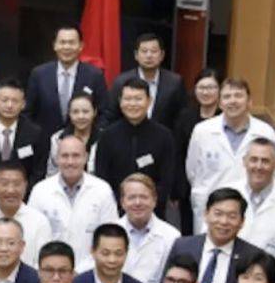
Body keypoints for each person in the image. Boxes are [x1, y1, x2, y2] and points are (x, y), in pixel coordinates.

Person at [186, 77, 275, 233]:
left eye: (238, 95)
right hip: (210, 207)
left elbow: (269, 173)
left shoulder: (265, 132)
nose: (233, 101)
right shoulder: (202, 131)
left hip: (249, 209)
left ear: (249, 102)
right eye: (227, 96)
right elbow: (192, 172)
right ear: (220, 103)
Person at [165, 188, 266, 283]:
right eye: (218, 214)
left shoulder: (253, 257)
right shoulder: (183, 246)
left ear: (242, 222)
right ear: (206, 214)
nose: (224, 221)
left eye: (232, 216)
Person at [28, 135, 118, 264]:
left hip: (92, 269)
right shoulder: (40, 191)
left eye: (76, 156)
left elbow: (110, 236)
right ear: (57, 158)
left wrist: (86, 269)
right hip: (51, 270)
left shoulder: (102, 190)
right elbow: (33, 236)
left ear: (86, 157)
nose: (70, 162)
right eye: (65, 156)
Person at [94, 78, 176, 217]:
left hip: (153, 212)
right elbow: (102, 177)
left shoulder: (164, 136)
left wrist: (147, 203)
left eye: (138, 99)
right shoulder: (108, 136)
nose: (132, 104)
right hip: (115, 211)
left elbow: (167, 178)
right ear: (120, 101)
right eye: (128, 99)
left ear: (149, 101)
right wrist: (121, 203)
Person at [25, 24, 108, 136]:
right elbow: (28, 112)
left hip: (82, 141)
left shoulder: (94, 75)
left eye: (71, 43)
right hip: (44, 141)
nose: (67, 47)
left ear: (81, 46)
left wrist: (92, 137)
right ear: (55, 46)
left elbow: (104, 112)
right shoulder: (39, 74)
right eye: (62, 42)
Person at [115, 174, 180, 283]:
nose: (138, 202)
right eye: (131, 197)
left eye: (144, 197)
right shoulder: (109, 232)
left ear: (154, 200)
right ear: (122, 202)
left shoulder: (171, 236)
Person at [101, 32, 187, 129]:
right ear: (136, 55)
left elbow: (181, 118)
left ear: (162, 55)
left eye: (154, 51)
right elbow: (111, 115)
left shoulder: (175, 82)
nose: (149, 55)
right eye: (144, 51)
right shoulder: (121, 82)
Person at [172, 68, 221, 235]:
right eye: (201, 87)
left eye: (211, 87)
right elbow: (178, 153)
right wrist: (178, 189)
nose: (206, 92)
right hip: (190, 187)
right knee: (189, 229)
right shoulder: (185, 117)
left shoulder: (224, 117)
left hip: (219, 182)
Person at [0, 78, 48, 186]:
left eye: (15, 101)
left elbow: (38, 170)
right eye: (4, 100)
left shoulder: (35, 133)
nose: (9, 105)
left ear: (23, 104)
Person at [225, 138, 275, 254]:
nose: (259, 166)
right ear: (244, 161)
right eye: (254, 160)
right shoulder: (226, 193)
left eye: (265, 161)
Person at [45, 92, 102, 177]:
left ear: (94, 112)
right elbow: (52, 171)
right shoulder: (58, 139)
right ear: (69, 113)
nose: (80, 116)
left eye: (85, 112)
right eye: (75, 112)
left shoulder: (104, 139)